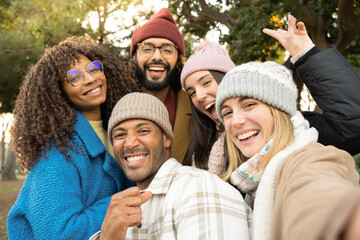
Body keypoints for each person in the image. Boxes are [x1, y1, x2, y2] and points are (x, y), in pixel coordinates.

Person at [180, 15, 360, 180]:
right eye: (192, 92)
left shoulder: (297, 135)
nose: (200, 96)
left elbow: (352, 123)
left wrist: (306, 55)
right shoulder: (203, 148)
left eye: (206, 83)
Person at [7, 36, 141, 239]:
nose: (90, 79)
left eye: (94, 68)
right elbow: (58, 233)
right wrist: (122, 203)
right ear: (58, 90)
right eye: (75, 77)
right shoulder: (56, 151)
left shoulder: (118, 130)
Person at [215, 58, 360, 239]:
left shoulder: (310, 159)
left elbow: (319, 196)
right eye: (227, 112)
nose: (236, 121)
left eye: (249, 105)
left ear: (279, 110)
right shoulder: (250, 183)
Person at [90, 92, 251, 240]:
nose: (130, 143)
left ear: (167, 139)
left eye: (143, 131)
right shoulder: (126, 212)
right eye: (120, 135)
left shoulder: (197, 187)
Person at [130, 8, 192, 162]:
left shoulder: (195, 106)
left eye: (167, 50)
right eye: (147, 49)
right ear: (134, 58)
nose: (157, 57)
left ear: (178, 61)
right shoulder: (111, 103)